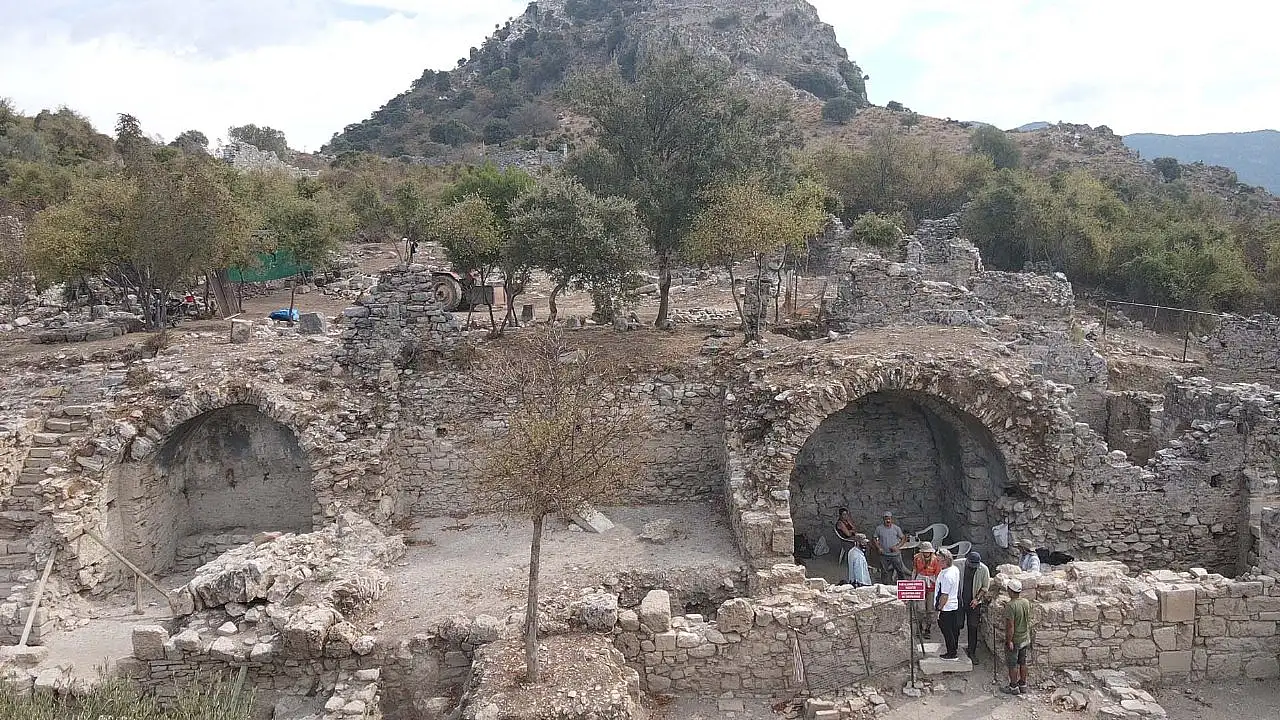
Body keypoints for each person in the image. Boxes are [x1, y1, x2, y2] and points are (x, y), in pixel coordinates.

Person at [1003, 579, 1033, 695]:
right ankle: (1023, 685)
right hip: (1025, 638)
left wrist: (1009, 641)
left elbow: (1010, 626)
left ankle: (1013, 687)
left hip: (1015, 639)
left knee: (1013, 664)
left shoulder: (1010, 606)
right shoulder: (1025, 602)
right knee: (1023, 662)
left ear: (1010, 590)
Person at [961, 550, 992, 662]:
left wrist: (977, 599)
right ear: (967, 561)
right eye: (971, 564)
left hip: (974, 603)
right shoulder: (960, 565)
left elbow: (985, 587)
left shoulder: (983, 569)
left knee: (972, 627)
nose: (973, 567)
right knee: (957, 625)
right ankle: (953, 648)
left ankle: (971, 651)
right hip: (960, 601)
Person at [933, 548, 962, 660]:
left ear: (944, 561)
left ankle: (951, 652)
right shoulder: (954, 569)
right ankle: (954, 649)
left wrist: (939, 609)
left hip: (946, 608)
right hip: (954, 605)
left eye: (938, 560)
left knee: (947, 630)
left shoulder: (946, 576)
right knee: (954, 630)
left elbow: (944, 595)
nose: (937, 562)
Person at [912, 541, 942, 639]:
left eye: (927, 552)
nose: (926, 554)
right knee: (920, 608)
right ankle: (919, 627)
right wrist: (913, 582)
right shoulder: (917, 558)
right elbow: (915, 570)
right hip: (920, 583)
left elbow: (938, 574)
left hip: (931, 584)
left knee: (930, 610)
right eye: (924, 552)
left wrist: (938, 588)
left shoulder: (936, 560)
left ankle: (928, 628)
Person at [873, 511, 911, 582]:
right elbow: (874, 538)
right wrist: (879, 547)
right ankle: (884, 586)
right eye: (886, 519)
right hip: (884, 554)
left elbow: (903, 538)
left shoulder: (896, 528)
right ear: (883, 519)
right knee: (884, 572)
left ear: (891, 519)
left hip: (895, 554)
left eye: (889, 519)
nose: (888, 520)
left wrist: (898, 547)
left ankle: (901, 585)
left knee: (900, 571)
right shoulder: (879, 529)